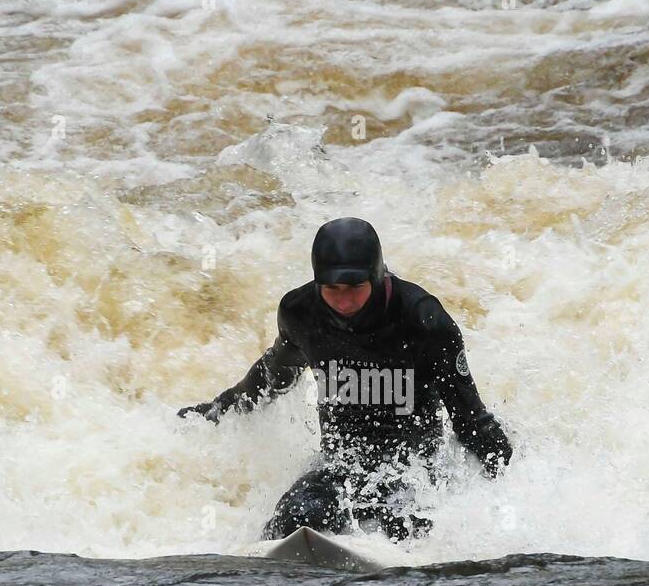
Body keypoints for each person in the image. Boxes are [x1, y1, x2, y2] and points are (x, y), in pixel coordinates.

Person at [179, 217, 511, 540]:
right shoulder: (301, 313)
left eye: (354, 288)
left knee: (400, 527)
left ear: (377, 277)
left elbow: (472, 421)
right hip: (340, 466)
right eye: (332, 289)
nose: (343, 301)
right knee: (293, 519)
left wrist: (513, 492)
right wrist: (221, 407)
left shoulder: (424, 321)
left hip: (416, 473)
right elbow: (273, 374)